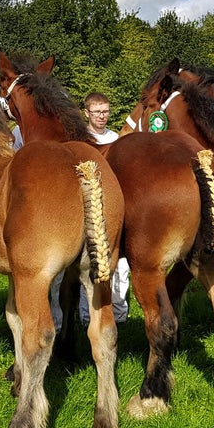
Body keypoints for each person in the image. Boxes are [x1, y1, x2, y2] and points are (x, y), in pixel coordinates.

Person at [78, 92, 130, 324]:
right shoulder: (81, 139)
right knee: (86, 263)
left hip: (111, 205)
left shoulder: (116, 138)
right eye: (97, 112)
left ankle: (118, 317)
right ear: (86, 113)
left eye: (105, 111)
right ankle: (86, 317)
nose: (102, 116)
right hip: (87, 206)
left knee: (118, 264)